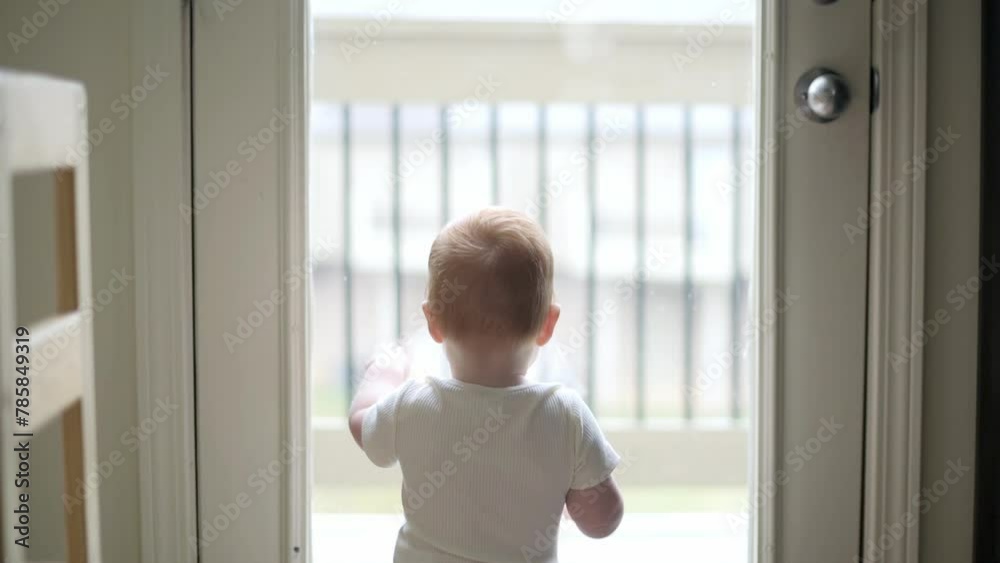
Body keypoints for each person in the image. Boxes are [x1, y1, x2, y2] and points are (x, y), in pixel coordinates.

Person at [349, 207, 623, 563]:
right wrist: (574, 492)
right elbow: (602, 521)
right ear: (548, 324)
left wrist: (382, 376)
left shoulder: (412, 404)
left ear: (433, 321)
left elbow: (363, 425)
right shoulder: (566, 414)